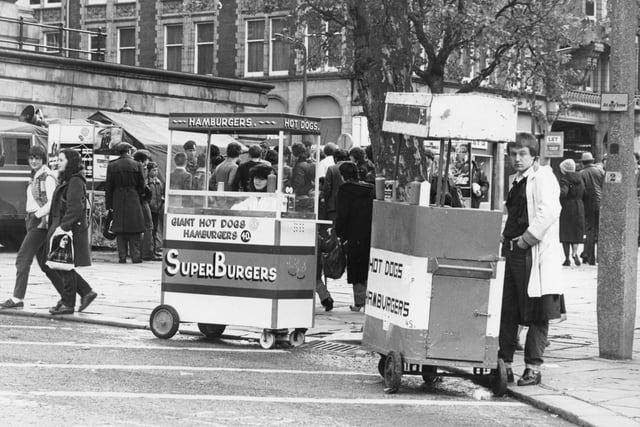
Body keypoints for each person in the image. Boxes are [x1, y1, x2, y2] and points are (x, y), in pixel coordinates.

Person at [499, 132, 564, 386]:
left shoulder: (544, 177)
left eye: (522, 154)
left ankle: (533, 368)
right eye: (513, 154)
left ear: (534, 155)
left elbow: (549, 211)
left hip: (532, 254)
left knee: (538, 311)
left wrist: (526, 239)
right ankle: (503, 364)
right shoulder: (516, 180)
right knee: (508, 308)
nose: (517, 158)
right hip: (513, 251)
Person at [0, 146, 95, 312]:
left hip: (40, 222)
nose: (34, 161)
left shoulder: (49, 177)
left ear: (43, 159)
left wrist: (39, 215)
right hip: (36, 221)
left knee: (23, 259)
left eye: (37, 158)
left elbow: (56, 203)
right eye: (31, 158)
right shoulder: (40, 176)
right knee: (49, 265)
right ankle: (78, 294)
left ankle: (17, 298)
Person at [47, 149, 97, 315]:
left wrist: (63, 228)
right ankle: (84, 293)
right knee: (60, 264)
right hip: (64, 228)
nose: (58, 162)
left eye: (61, 160)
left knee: (63, 265)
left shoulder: (75, 181)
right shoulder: (69, 179)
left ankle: (69, 303)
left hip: (68, 230)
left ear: (71, 162)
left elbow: (75, 208)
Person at [335, 161, 375, 312]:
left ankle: (359, 302)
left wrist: (340, 233)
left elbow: (342, 214)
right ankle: (370, 300)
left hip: (353, 233)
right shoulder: (369, 188)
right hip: (369, 232)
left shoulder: (345, 190)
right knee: (367, 266)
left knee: (356, 268)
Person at [105, 143, 146, 264]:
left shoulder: (112, 165)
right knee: (134, 229)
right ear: (128, 151)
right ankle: (136, 257)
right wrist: (138, 195)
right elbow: (142, 185)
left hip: (117, 198)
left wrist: (109, 205)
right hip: (133, 198)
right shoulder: (137, 165)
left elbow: (108, 187)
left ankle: (122, 257)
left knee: (120, 230)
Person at [558, 159, 585, 267]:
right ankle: (575, 252)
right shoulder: (580, 178)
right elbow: (585, 192)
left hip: (567, 207)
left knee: (566, 233)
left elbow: (563, 193)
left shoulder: (565, 179)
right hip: (579, 206)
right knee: (576, 231)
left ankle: (567, 258)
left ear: (564, 169)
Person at [578, 152, 603, 265]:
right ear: (592, 161)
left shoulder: (581, 173)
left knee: (590, 231)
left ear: (583, 162)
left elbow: (581, 191)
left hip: (588, 205)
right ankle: (600, 258)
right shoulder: (600, 171)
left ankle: (590, 257)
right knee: (601, 231)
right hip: (601, 203)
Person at [133, 150, 158, 261]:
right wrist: (147, 196)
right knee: (148, 226)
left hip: (133, 201)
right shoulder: (141, 169)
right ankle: (147, 253)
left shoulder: (132, 168)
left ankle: (136, 252)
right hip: (143, 201)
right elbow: (143, 187)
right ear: (142, 161)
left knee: (136, 227)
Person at [323, 149, 349, 222]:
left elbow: (327, 189)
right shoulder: (353, 167)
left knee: (335, 228)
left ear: (335, 159)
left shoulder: (332, 169)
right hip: (349, 205)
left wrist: (326, 202)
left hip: (334, 206)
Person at [291, 142, 315, 212]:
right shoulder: (311, 164)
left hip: (301, 198)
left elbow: (298, 183)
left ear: (294, 154)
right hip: (309, 196)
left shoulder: (299, 166)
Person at [147, 162, 164, 257]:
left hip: (157, 209)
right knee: (150, 230)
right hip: (150, 208)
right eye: (153, 170)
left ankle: (154, 250)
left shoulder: (159, 182)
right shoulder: (147, 182)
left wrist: (161, 201)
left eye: (157, 170)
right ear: (149, 171)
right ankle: (149, 250)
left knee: (155, 230)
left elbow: (161, 193)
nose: (156, 172)